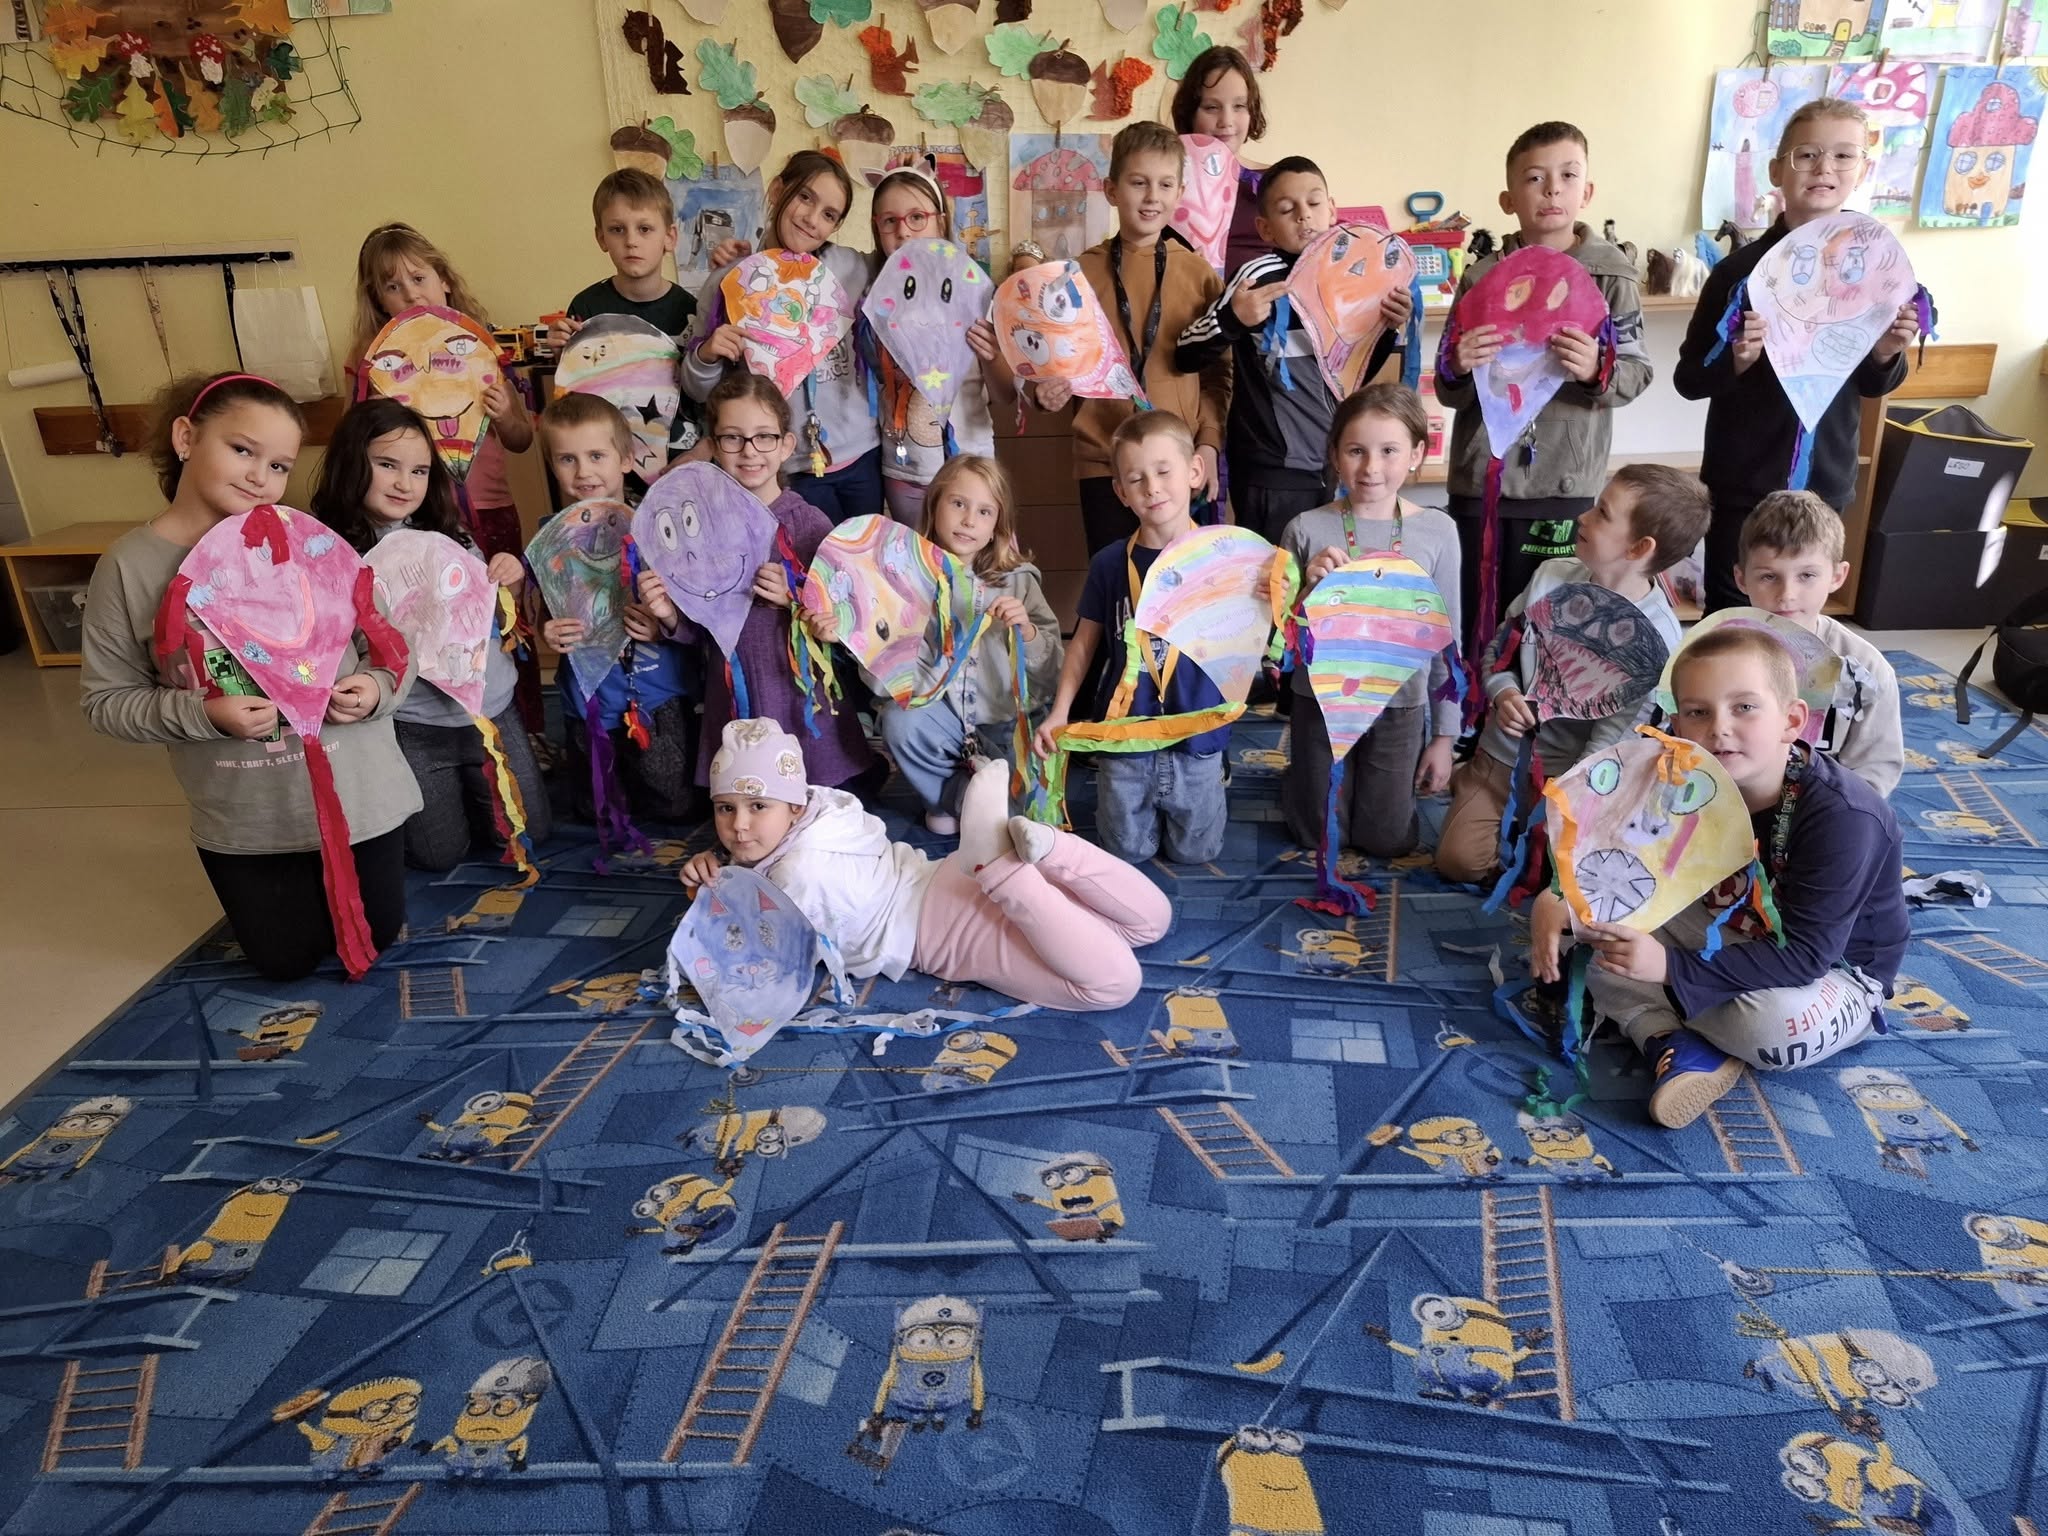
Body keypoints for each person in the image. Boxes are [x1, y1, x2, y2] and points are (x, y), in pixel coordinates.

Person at [80, 373, 417, 980]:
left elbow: (392, 647)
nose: (261, 476)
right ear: (186, 437)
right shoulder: (130, 567)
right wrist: (203, 715)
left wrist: (376, 689)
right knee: (285, 962)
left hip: (361, 799)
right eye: (242, 450)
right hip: (249, 818)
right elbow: (106, 700)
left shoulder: (311, 544)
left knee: (380, 934)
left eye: (280, 465)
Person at [1532, 626, 1908, 1127]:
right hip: (1727, 924)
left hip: (1832, 969)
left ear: (1792, 720)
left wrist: (1668, 968)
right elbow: (1617, 855)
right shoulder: (1682, 775)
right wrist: (1562, 897)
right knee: (1599, 929)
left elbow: (1808, 955)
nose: (1719, 728)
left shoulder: (1845, 816)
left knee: (1766, 1030)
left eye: (1744, 707)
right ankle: (1675, 1041)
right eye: (1697, 712)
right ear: (1677, 723)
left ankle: (1658, 1017)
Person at [678, 721, 1172, 1012]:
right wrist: (721, 866)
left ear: (792, 807)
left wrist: (713, 900)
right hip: (946, 873)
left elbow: (768, 967)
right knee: (1151, 922)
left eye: (757, 807)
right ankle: (1047, 847)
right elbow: (764, 857)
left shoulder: (796, 876)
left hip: (943, 936)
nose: (739, 826)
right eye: (725, 809)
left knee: (1112, 986)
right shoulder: (827, 811)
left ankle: (1004, 870)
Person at [1675, 98, 1918, 612]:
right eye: (1807, 154)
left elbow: (1874, 384)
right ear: (1776, 171)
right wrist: (1737, 361)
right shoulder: (1738, 273)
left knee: (1802, 614)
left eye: (1843, 156)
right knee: (1733, 612)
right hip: (1743, 482)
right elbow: (1689, 378)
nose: (1824, 167)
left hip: (1825, 481)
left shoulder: (1877, 270)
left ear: (1863, 170)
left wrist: (1885, 352)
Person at [1436, 464, 1711, 884]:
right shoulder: (1550, 576)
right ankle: (1471, 782)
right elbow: (1501, 650)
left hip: (1574, 780)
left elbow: (1615, 738)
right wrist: (1503, 691)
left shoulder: (1659, 638)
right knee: (1459, 862)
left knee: (1565, 878)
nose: (1583, 516)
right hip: (1501, 756)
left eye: (1602, 513)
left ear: (1639, 548)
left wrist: (1568, 802)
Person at [1435, 122, 1652, 651]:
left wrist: (1597, 367)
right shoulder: (1481, 277)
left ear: (1587, 191)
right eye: (1535, 178)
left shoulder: (1613, 276)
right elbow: (1446, 383)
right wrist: (1459, 365)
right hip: (1481, 481)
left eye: (1567, 176)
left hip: (1562, 482)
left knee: (1547, 622)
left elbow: (1636, 371)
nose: (1552, 189)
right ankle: (1476, 698)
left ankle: (1533, 699)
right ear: (1509, 199)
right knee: (1473, 611)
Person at [314, 396, 551, 871]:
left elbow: (488, 612)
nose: (405, 483)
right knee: (438, 853)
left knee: (528, 833)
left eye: (419, 471)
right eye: (387, 465)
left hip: (488, 712)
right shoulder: (330, 554)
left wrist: (507, 579)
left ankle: (476, 794)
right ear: (351, 463)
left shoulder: (450, 536)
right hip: (414, 723)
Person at [635, 371, 878, 792]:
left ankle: (857, 777)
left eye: (764, 437)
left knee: (817, 794)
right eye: (733, 438)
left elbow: (845, 620)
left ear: (786, 445)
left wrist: (794, 598)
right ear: (713, 446)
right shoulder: (700, 530)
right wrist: (668, 615)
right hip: (735, 691)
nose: (749, 451)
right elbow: (699, 629)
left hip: (797, 693)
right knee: (744, 800)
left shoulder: (808, 523)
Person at [348, 222, 543, 737]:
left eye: (420, 278)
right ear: (378, 299)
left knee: (504, 616)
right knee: (432, 619)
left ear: (445, 281)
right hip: (417, 522)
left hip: (490, 510)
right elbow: (359, 443)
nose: (411, 294)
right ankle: (442, 726)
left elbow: (521, 439)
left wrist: (505, 413)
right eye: (393, 286)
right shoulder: (376, 364)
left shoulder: (477, 349)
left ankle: (523, 726)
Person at [1174, 154, 1414, 543]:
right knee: (1274, 573)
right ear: (1265, 228)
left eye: (1314, 203)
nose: (1304, 215)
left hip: (1333, 464)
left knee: (1325, 571)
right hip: (1271, 469)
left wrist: (1388, 329)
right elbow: (1186, 353)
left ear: (1332, 210)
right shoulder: (1257, 278)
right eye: (1288, 209)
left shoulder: (1357, 279)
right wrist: (1234, 318)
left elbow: (1348, 376)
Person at [1025, 122, 1232, 554]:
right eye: (1138, 183)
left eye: (1165, 184)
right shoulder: (1078, 274)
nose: (1152, 196)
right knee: (1116, 578)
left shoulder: (1198, 275)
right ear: (1111, 190)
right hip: (1104, 462)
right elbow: (1053, 365)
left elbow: (1218, 374)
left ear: (1180, 193)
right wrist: (1045, 393)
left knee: (1183, 582)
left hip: (1177, 462)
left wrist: (1209, 443)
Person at [826, 455, 1061, 833]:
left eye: (984, 512)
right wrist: (868, 642)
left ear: (997, 526)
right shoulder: (903, 582)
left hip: (1005, 729)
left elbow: (1051, 674)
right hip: (942, 726)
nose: (969, 520)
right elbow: (886, 683)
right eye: (958, 504)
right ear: (934, 506)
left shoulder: (1018, 581)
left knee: (1021, 813)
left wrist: (1028, 633)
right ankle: (951, 798)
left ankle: (966, 800)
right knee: (900, 722)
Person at [1036, 412, 1232, 865]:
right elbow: (1083, 644)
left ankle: (1213, 777)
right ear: (1120, 492)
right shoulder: (1109, 563)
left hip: (1196, 734)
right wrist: (1060, 711)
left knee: (1196, 853)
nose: (1152, 488)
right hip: (1125, 738)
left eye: (1164, 472)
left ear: (1194, 472)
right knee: (1126, 851)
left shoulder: (1225, 556)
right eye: (1136, 479)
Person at [1280, 384, 1461, 859]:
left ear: (1417, 454)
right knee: (1318, 835)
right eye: (1356, 450)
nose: (1371, 468)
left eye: (1389, 451)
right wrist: (1307, 593)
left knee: (1388, 840)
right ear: (1334, 454)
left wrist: (1444, 738)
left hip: (1399, 703)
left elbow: (1449, 639)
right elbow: (1279, 636)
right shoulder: (1305, 528)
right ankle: (1301, 779)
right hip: (1320, 700)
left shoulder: (1438, 531)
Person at [682, 151, 881, 523]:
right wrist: (706, 356)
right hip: (786, 468)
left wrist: (912, 182)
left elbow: (909, 263)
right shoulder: (731, 281)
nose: (812, 218)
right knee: (805, 557)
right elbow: (699, 391)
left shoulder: (850, 268)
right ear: (777, 190)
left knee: (865, 557)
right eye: (805, 197)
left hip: (862, 456)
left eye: (829, 214)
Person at [535, 392, 697, 821]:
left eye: (596, 456)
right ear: (552, 464)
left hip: (656, 693)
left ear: (626, 459)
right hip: (588, 699)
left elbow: (693, 612)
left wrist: (664, 624)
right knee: (596, 811)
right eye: (567, 459)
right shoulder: (548, 537)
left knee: (675, 805)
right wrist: (547, 630)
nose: (583, 471)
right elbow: (543, 610)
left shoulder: (659, 526)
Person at [864, 166, 1016, 524]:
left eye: (917, 217)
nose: (904, 231)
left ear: (941, 222)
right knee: (915, 556)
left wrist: (992, 357)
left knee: (980, 556)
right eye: (890, 221)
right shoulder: (874, 297)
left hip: (971, 466)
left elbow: (1006, 394)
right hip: (904, 470)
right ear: (876, 228)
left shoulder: (976, 294)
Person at [1732, 490, 1902, 796]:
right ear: (1742, 579)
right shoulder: (1713, 656)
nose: (1787, 595)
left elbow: (1875, 769)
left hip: (1826, 807)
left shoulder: (1866, 668)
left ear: (1837, 576)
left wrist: (1837, 814)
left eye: (1807, 575)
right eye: (1769, 577)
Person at [557, 167, 706, 455]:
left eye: (645, 229)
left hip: (681, 458)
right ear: (601, 238)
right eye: (617, 229)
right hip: (608, 459)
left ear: (670, 237)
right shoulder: (586, 308)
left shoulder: (691, 311)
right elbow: (575, 395)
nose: (631, 241)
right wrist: (561, 354)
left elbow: (703, 392)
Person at [1169, 44, 1270, 278]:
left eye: (1239, 106)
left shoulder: (1277, 181)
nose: (1226, 120)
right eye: (1212, 107)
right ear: (1190, 113)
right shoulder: (1167, 181)